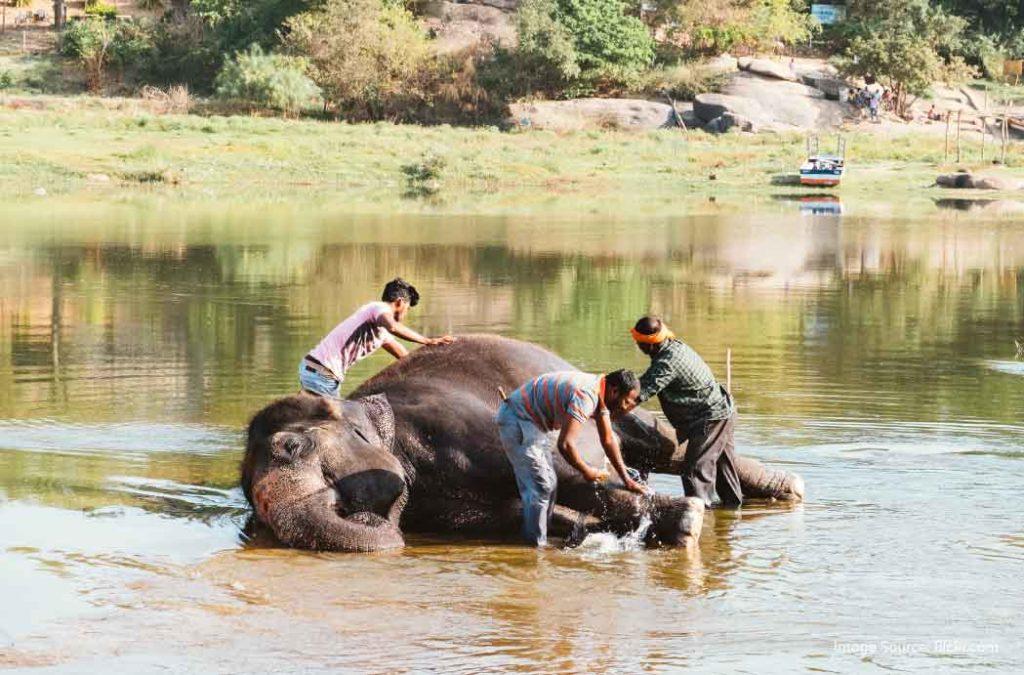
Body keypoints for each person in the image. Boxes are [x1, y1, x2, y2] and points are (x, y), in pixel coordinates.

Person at [495, 369, 647, 546]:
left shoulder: (602, 391)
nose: (625, 409)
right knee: (541, 485)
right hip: (519, 420)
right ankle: (534, 548)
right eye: (626, 403)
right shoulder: (586, 395)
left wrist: (627, 480)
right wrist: (587, 471)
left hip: (536, 426)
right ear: (614, 391)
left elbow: (608, 440)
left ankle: (539, 537)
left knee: (550, 484)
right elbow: (566, 444)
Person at [631, 316, 741, 508]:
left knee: (694, 470)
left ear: (647, 345)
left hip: (711, 418)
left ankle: (698, 518)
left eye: (639, 342)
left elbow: (640, 393)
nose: (637, 346)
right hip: (724, 411)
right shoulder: (674, 347)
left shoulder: (667, 363)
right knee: (725, 470)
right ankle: (731, 515)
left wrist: (607, 411)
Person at [299, 278, 454, 398]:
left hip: (317, 371)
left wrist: (431, 370)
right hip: (322, 373)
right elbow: (393, 327)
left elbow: (404, 356)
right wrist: (427, 340)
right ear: (399, 303)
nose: (406, 314)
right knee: (335, 426)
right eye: (407, 309)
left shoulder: (380, 331)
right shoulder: (377, 308)